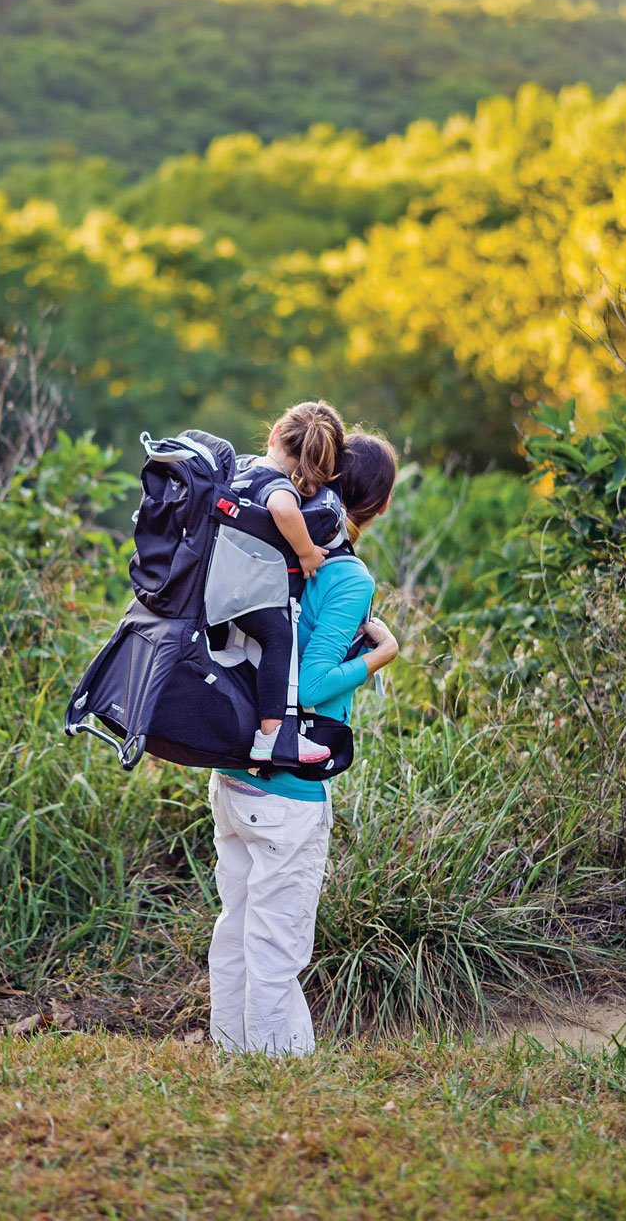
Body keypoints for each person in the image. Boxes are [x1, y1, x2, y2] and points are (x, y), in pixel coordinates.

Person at [209, 429, 400, 1056]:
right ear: (375, 506)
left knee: (236, 929)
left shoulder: (276, 543)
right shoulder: (346, 576)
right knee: (277, 941)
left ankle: (231, 1056)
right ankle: (275, 1072)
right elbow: (314, 684)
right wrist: (381, 656)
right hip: (290, 788)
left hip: (233, 773)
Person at [232, 401, 346, 768]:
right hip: (245, 592)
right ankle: (271, 737)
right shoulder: (277, 484)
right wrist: (308, 551)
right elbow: (282, 510)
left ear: (274, 434)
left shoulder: (245, 468)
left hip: (222, 586)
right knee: (278, 637)